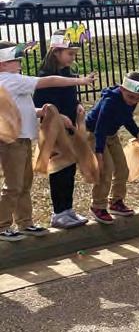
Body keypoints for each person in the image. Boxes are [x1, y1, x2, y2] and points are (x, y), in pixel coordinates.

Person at [0, 41, 96, 241]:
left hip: (23, 139)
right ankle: (2, 226)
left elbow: (24, 109)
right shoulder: (9, 79)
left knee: (24, 184)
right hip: (13, 142)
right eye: (15, 60)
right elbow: (49, 81)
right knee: (13, 186)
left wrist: (40, 111)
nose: (20, 63)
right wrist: (81, 81)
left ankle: (25, 223)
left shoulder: (13, 81)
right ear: (2, 64)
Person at [32, 28, 91, 229]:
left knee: (70, 169)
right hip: (54, 131)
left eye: (74, 54)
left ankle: (68, 209)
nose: (73, 58)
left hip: (70, 129)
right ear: (56, 52)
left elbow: (70, 97)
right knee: (59, 170)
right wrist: (59, 117)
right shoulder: (45, 77)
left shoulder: (67, 74)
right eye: (69, 53)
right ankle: (58, 213)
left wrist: (78, 105)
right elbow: (41, 105)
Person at [85, 71, 139, 224]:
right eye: (131, 97)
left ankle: (116, 201)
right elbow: (100, 127)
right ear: (122, 89)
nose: (133, 101)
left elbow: (127, 118)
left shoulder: (130, 100)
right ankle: (98, 205)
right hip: (95, 134)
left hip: (111, 135)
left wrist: (137, 132)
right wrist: (99, 152)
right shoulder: (110, 101)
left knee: (122, 168)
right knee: (106, 169)